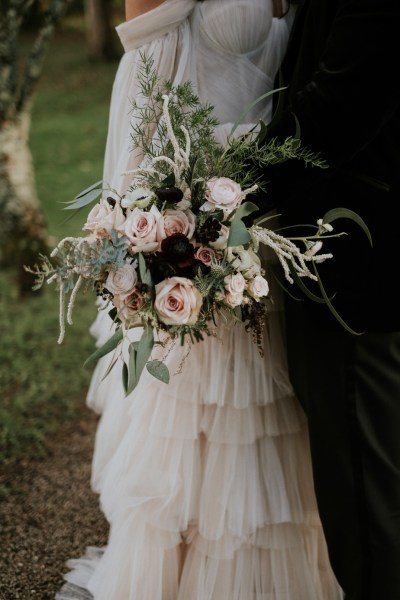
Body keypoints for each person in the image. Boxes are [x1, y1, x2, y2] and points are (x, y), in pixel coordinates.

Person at [56, 1, 343, 599]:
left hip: (273, 218)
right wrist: (139, 229)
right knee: (203, 410)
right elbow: (143, 81)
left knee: (277, 409)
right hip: (196, 212)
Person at [250, 2, 400, 599]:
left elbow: (334, 111)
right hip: (363, 266)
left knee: (370, 513)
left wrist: (219, 189)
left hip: (357, 277)